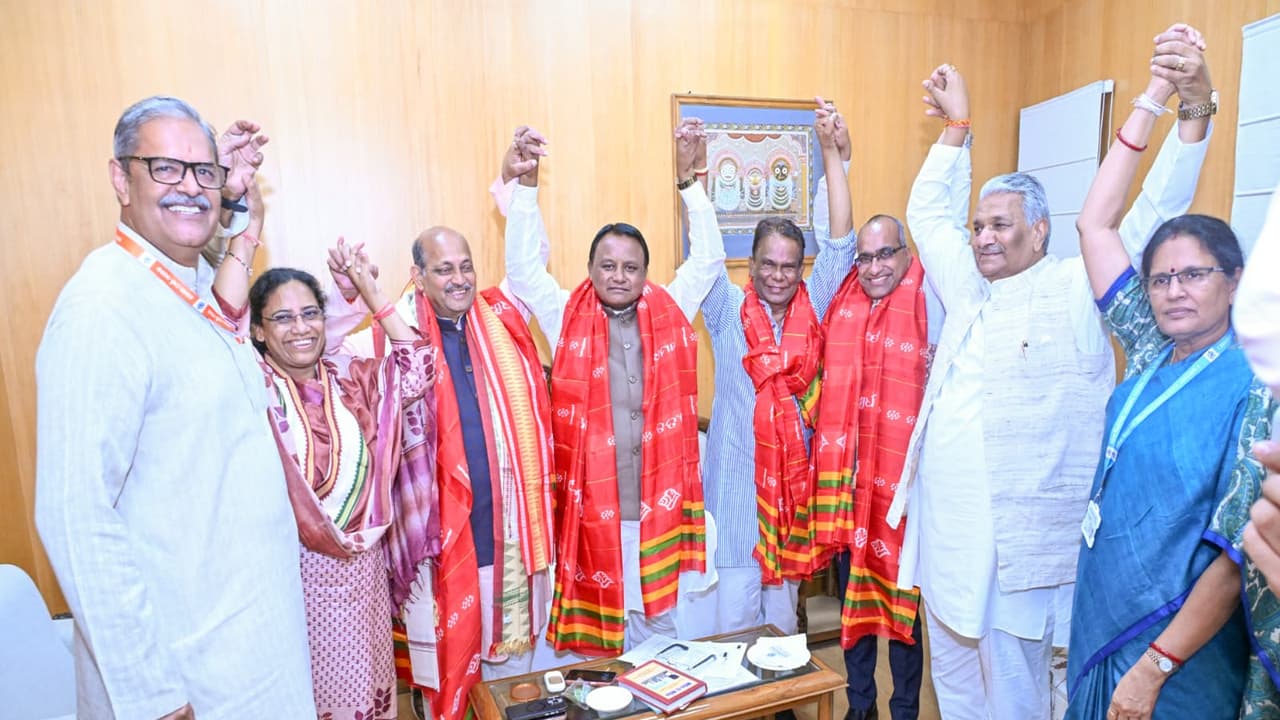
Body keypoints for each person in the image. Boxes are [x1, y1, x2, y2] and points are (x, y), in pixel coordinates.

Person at [895, 30, 1212, 718]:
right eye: (979, 225)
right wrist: (957, 127)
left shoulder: (1075, 287)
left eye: (1000, 225)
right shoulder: (967, 285)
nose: (983, 237)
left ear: (1039, 232)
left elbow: (1153, 214)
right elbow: (926, 212)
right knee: (954, 684)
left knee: (1016, 693)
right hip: (947, 540)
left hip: (1020, 551)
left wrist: (1192, 114)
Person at [35, 96, 315, 719]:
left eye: (202, 172)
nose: (189, 188)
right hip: (183, 676)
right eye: (165, 167)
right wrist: (153, 696)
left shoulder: (186, 289)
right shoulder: (102, 307)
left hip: (250, 648)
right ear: (120, 179)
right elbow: (76, 515)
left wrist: (233, 201)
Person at [1067, 29, 1280, 719]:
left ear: (1235, 280)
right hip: (1104, 612)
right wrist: (1157, 94)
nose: (1174, 291)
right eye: (1160, 279)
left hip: (1180, 647)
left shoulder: (1257, 385)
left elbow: (1235, 553)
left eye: (1194, 274)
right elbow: (1095, 226)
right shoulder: (1151, 344)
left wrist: (1156, 666)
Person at [324, 128, 558, 720]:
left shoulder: (503, 317)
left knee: (514, 681)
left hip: (507, 529)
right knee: (449, 678)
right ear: (418, 274)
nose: (459, 279)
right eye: (444, 269)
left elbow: (529, 258)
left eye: (466, 266)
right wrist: (352, 296)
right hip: (438, 543)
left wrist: (520, 184)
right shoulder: (384, 337)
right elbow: (320, 350)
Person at [212, 188, 438, 719]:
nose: (301, 328)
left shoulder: (351, 379)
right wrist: (247, 227)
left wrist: (371, 293)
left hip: (363, 575)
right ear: (258, 331)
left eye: (311, 314)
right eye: (282, 318)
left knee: (368, 696)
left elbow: (419, 368)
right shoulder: (251, 386)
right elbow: (219, 321)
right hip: (290, 579)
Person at [504, 119, 723, 656]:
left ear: (646, 273)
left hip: (659, 513)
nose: (619, 275)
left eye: (631, 267)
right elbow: (523, 269)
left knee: (661, 639)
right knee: (597, 657)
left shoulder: (671, 309)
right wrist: (526, 188)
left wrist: (689, 184)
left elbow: (709, 259)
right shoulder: (564, 315)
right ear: (589, 269)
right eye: (608, 265)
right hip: (591, 516)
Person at [696, 98, 853, 638]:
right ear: (752, 264)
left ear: (801, 269)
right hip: (736, 499)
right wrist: (691, 179)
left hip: (791, 502)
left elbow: (840, 243)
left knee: (783, 631)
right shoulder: (725, 311)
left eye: (789, 266)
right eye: (768, 264)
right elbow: (704, 253)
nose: (779, 276)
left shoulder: (817, 307)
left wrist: (832, 153)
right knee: (733, 630)